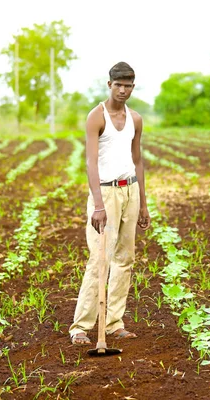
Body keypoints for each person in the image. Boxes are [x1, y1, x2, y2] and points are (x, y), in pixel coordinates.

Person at [69, 62, 151, 345]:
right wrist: (99, 205)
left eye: (128, 86)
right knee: (99, 259)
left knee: (125, 259)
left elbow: (137, 160)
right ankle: (80, 326)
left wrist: (143, 204)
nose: (124, 90)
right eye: (119, 85)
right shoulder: (97, 117)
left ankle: (115, 322)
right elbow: (91, 161)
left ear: (133, 86)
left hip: (130, 190)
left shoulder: (136, 119)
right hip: (105, 194)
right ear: (109, 85)